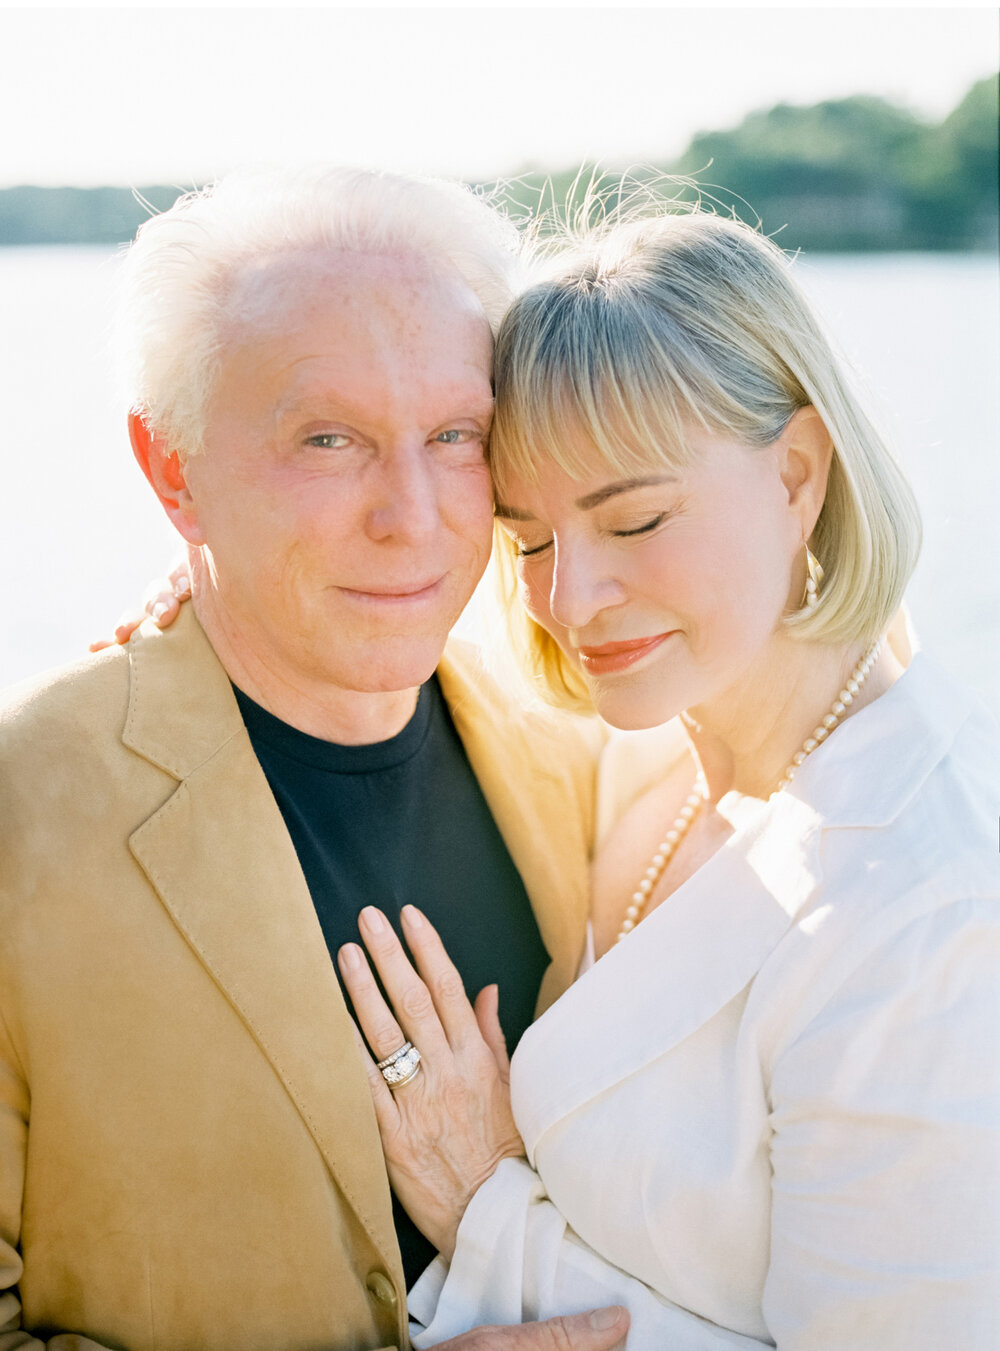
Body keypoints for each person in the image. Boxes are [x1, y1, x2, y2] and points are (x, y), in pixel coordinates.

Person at [333, 207, 1000, 1348]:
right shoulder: (650, 732)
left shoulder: (929, 912)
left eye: (633, 521)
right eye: (529, 541)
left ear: (797, 473)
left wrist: (485, 1208)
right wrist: (222, 607)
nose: (568, 600)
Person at [0, 168, 631, 1351]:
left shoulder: (593, 754)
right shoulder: (22, 807)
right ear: (171, 467)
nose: (412, 513)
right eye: (327, 438)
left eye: (455, 436)